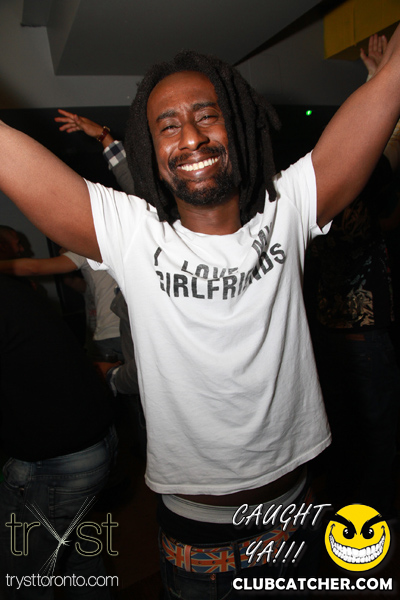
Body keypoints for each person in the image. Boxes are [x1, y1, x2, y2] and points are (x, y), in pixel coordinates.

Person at [1, 27, 400, 597]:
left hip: (299, 515)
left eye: (207, 116)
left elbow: (389, 88)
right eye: (168, 125)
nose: (190, 136)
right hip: (201, 543)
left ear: (236, 126)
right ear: (150, 151)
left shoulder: (288, 207)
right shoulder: (132, 233)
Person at [307, 34, 400, 518]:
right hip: (362, 338)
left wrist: (374, 78)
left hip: (330, 336)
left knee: (346, 436)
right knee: (377, 438)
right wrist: (382, 79)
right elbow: (382, 144)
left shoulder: (312, 205)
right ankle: (370, 526)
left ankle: (346, 516)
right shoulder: (352, 195)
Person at [0, 270, 117, 599]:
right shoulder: (12, 288)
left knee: (21, 581)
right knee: (77, 561)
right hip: (90, 445)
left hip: (56, 464)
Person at [0, 243, 122, 360]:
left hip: (111, 333)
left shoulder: (85, 249)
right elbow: (76, 283)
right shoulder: (110, 249)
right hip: (115, 331)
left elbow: (34, 268)